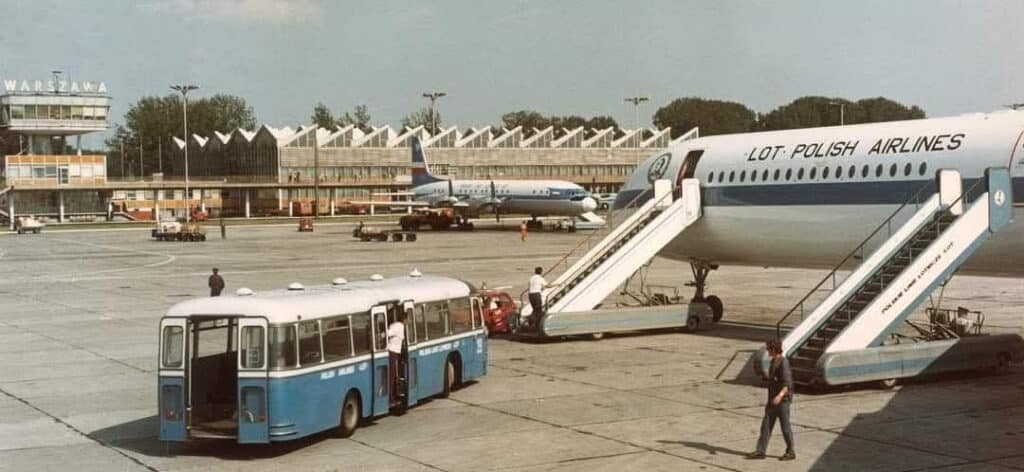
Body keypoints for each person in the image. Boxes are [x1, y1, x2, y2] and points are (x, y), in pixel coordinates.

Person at [748, 338, 795, 461]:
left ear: (774, 349)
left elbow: (787, 384)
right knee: (766, 425)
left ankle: (791, 451)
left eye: (769, 348)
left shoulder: (783, 363)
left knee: (785, 427)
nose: (767, 350)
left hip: (782, 400)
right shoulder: (774, 361)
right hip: (772, 399)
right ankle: (760, 451)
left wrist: (779, 397)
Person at [387, 310, 407, 405]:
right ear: (404, 319)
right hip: (392, 353)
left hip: (395, 353)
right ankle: (391, 399)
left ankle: (393, 397)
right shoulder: (398, 326)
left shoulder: (397, 325)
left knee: (394, 376)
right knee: (392, 376)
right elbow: (387, 333)